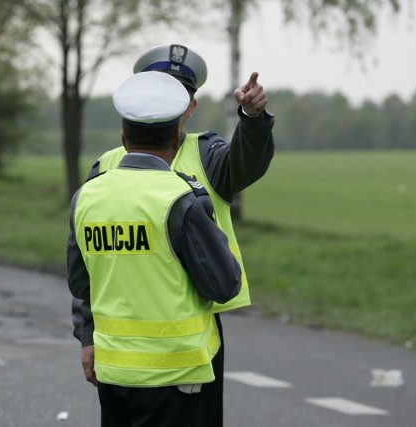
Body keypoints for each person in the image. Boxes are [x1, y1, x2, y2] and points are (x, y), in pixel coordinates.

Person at [72, 43, 275, 425]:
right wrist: (87, 336)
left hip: (187, 341)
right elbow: (87, 267)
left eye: (180, 93)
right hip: (129, 349)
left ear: (191, 107)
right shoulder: (106, 166)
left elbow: (246, 162)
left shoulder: (209, 154)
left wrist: (252, 118)